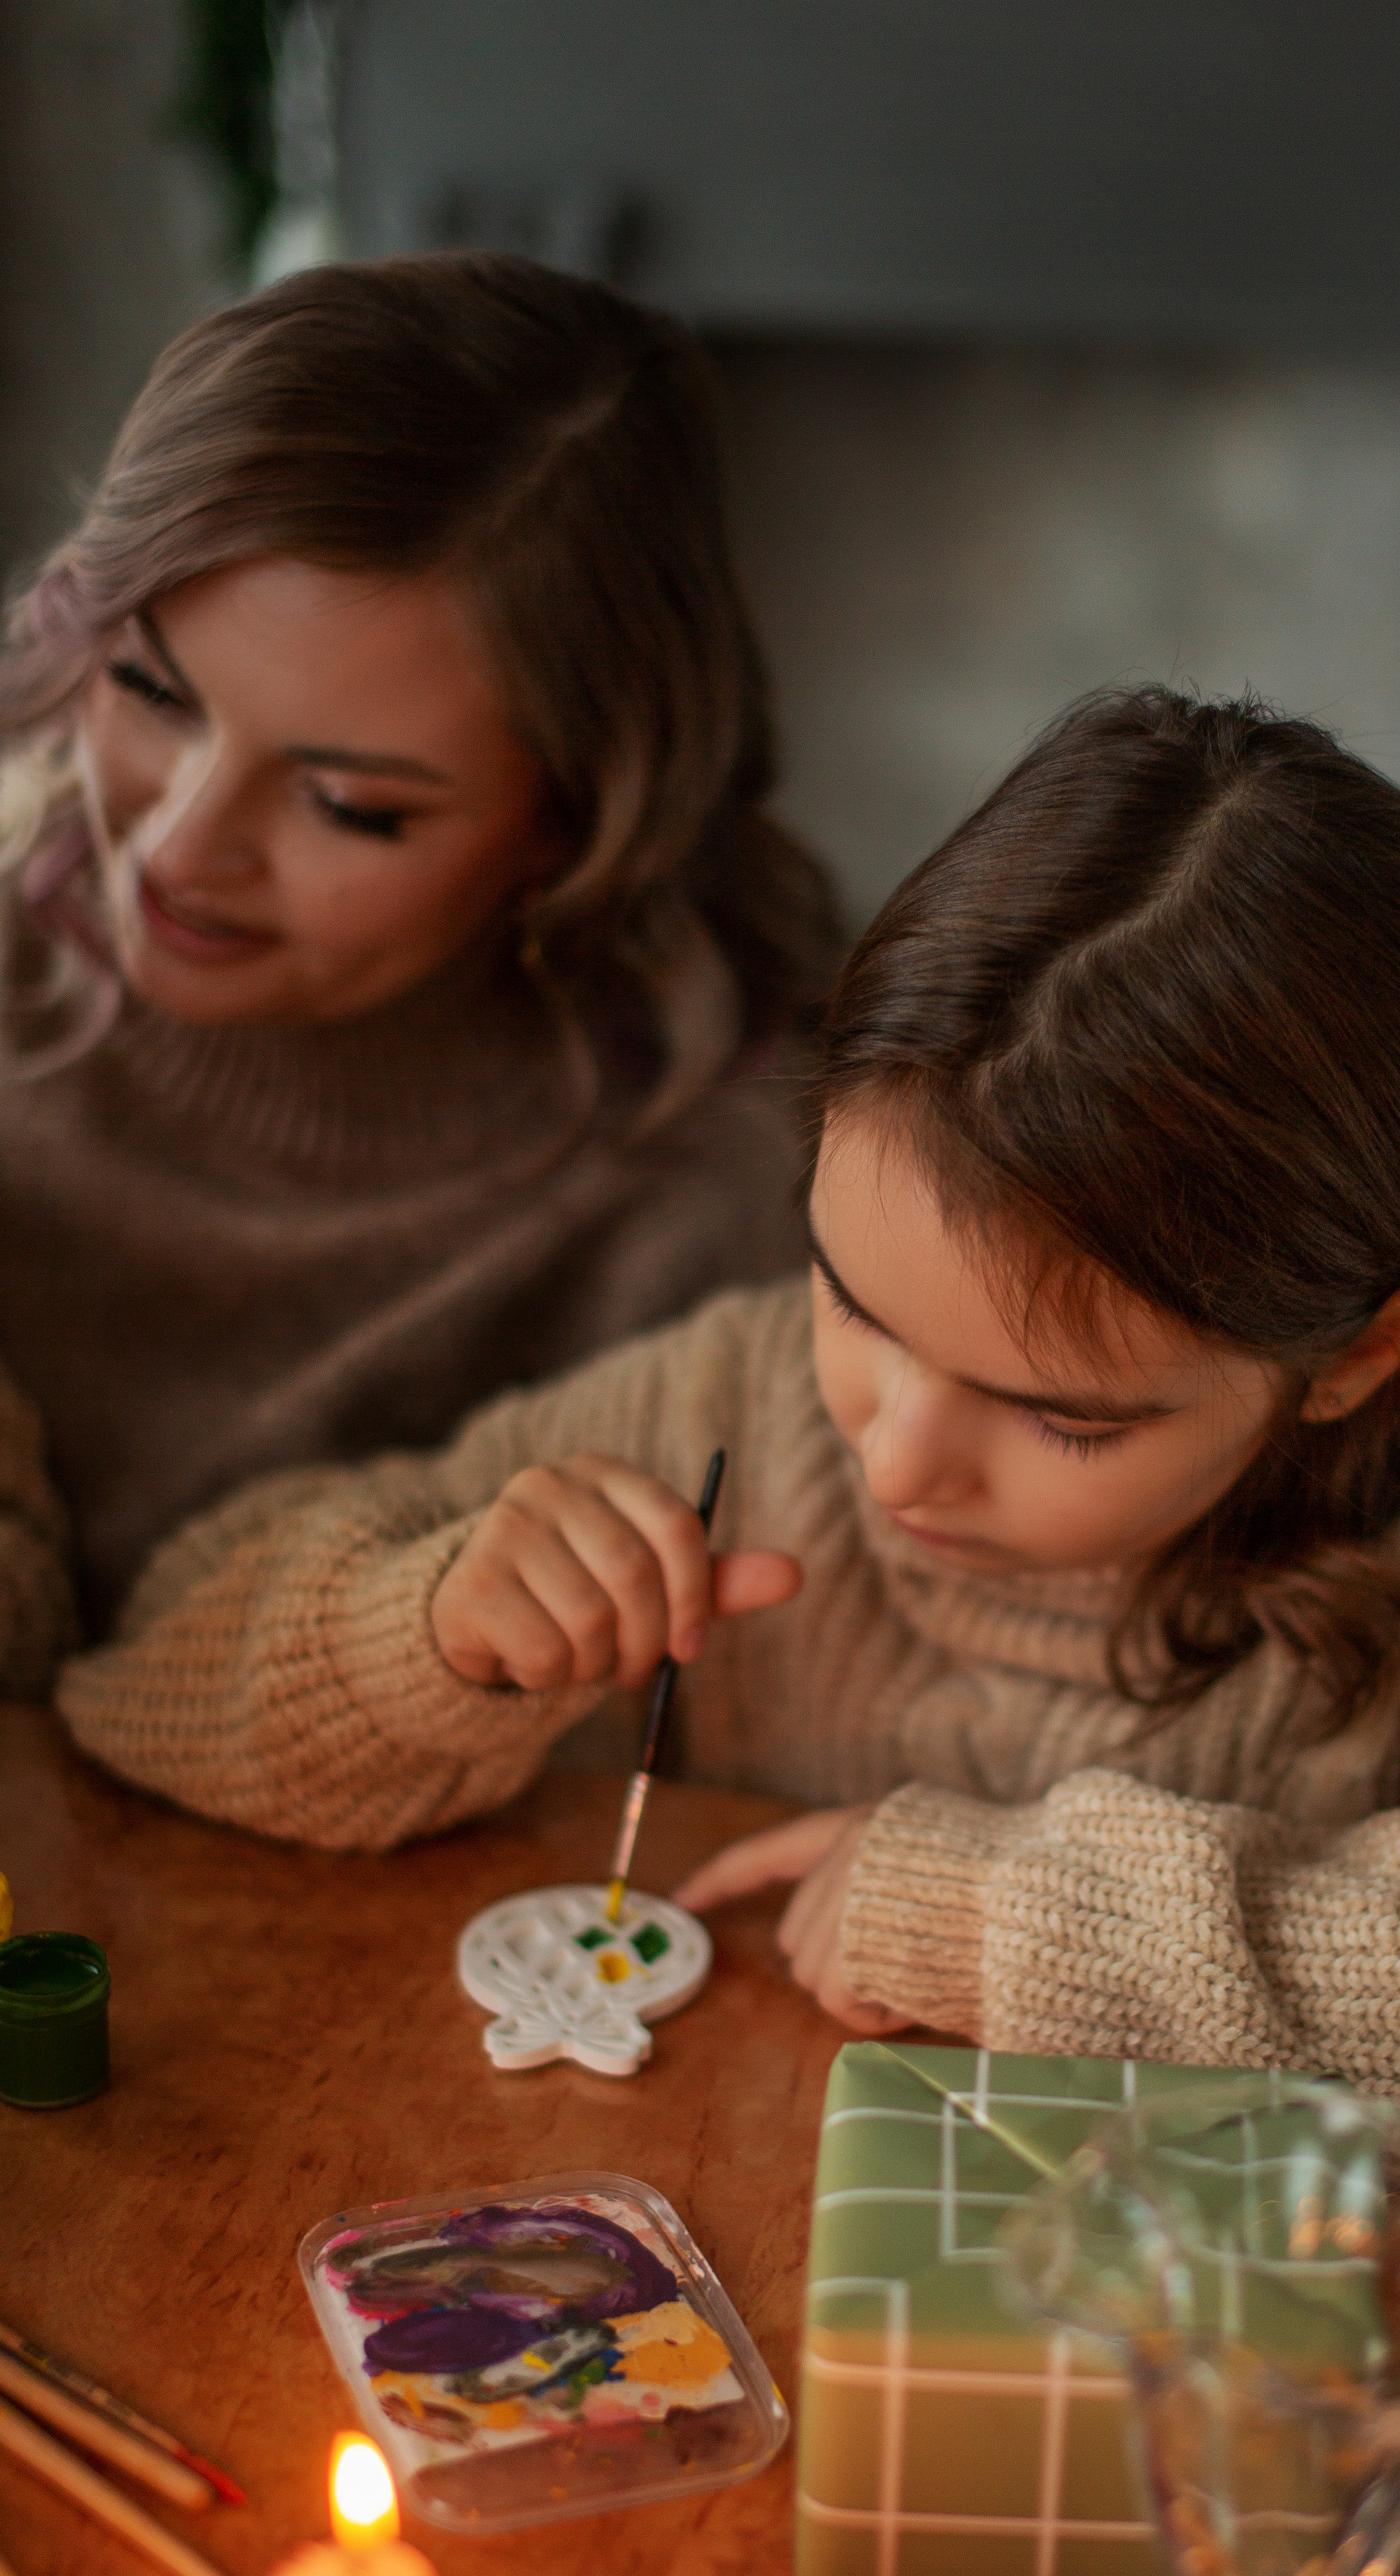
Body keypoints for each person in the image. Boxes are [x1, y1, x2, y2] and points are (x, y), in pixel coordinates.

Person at [57, 689, 1400, 2228]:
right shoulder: (737, 1408)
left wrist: (1029, 1915)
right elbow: (141, 1683)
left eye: (1063, 1415)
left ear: (1360, 1351)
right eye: (853, 1302)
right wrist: (427, 1629)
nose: (897, 1464)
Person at [0, 251, 838, 1661]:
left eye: (351, 806)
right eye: (149, 687)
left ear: (573, 825)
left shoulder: (729, 1201)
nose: (181, 847)